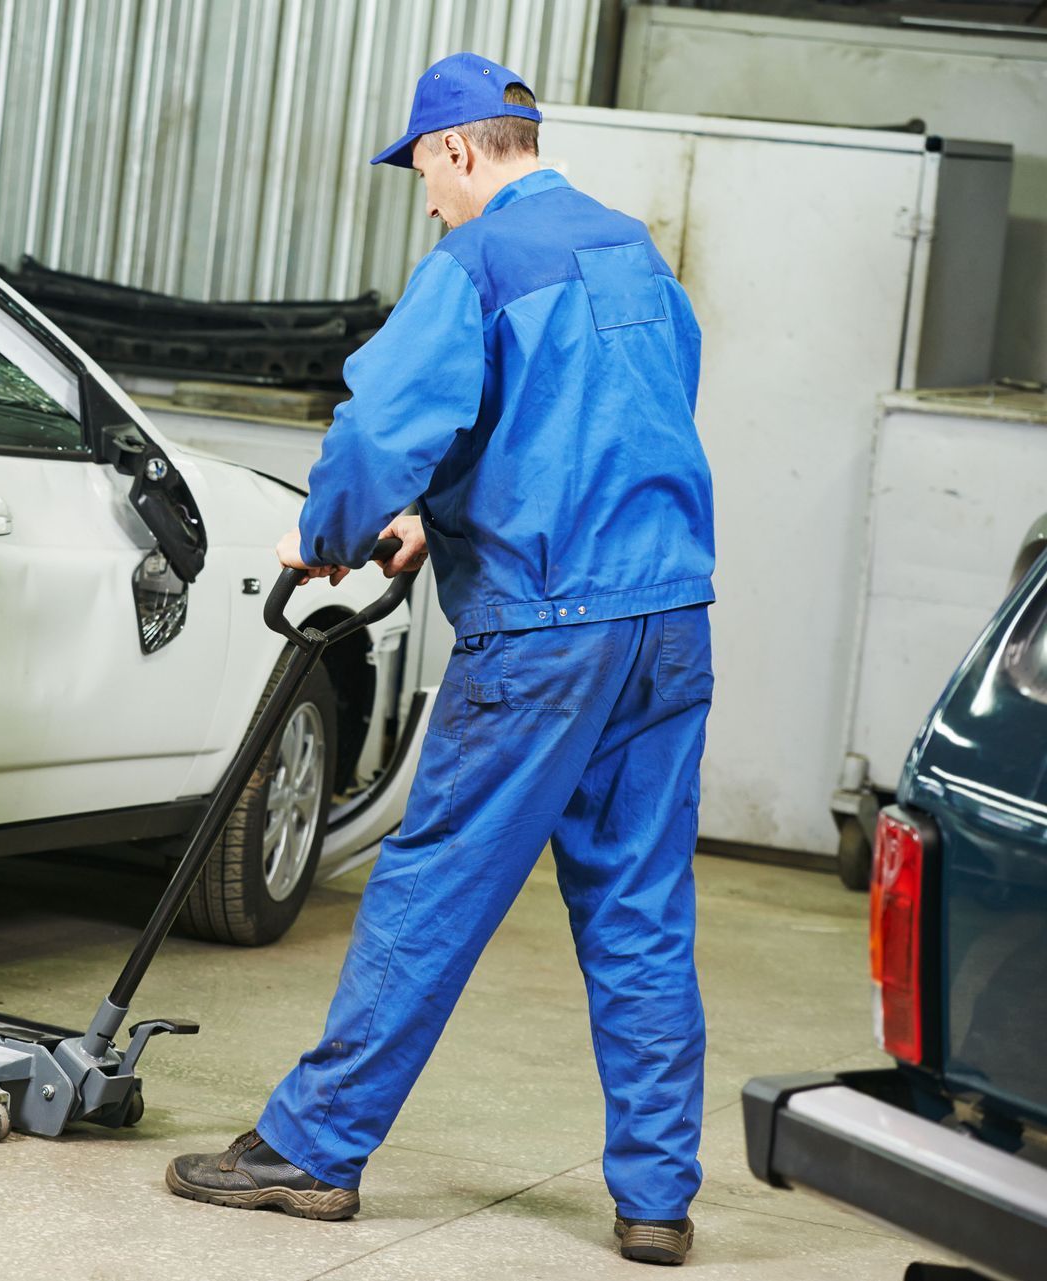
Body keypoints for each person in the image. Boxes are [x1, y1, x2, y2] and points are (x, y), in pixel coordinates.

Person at [164, 52, 716, 1268]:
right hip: (668, 618)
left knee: (432, 887)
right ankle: (657, 1200)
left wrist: (334, 535)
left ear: (460, 149)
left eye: (423, 170)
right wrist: (446, 509)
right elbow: (612, 421)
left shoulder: (477, 260)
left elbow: (379, 424)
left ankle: (314, 1151)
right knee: (639, 906)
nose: (425, 199)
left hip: (546, 629)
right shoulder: (631, 250)